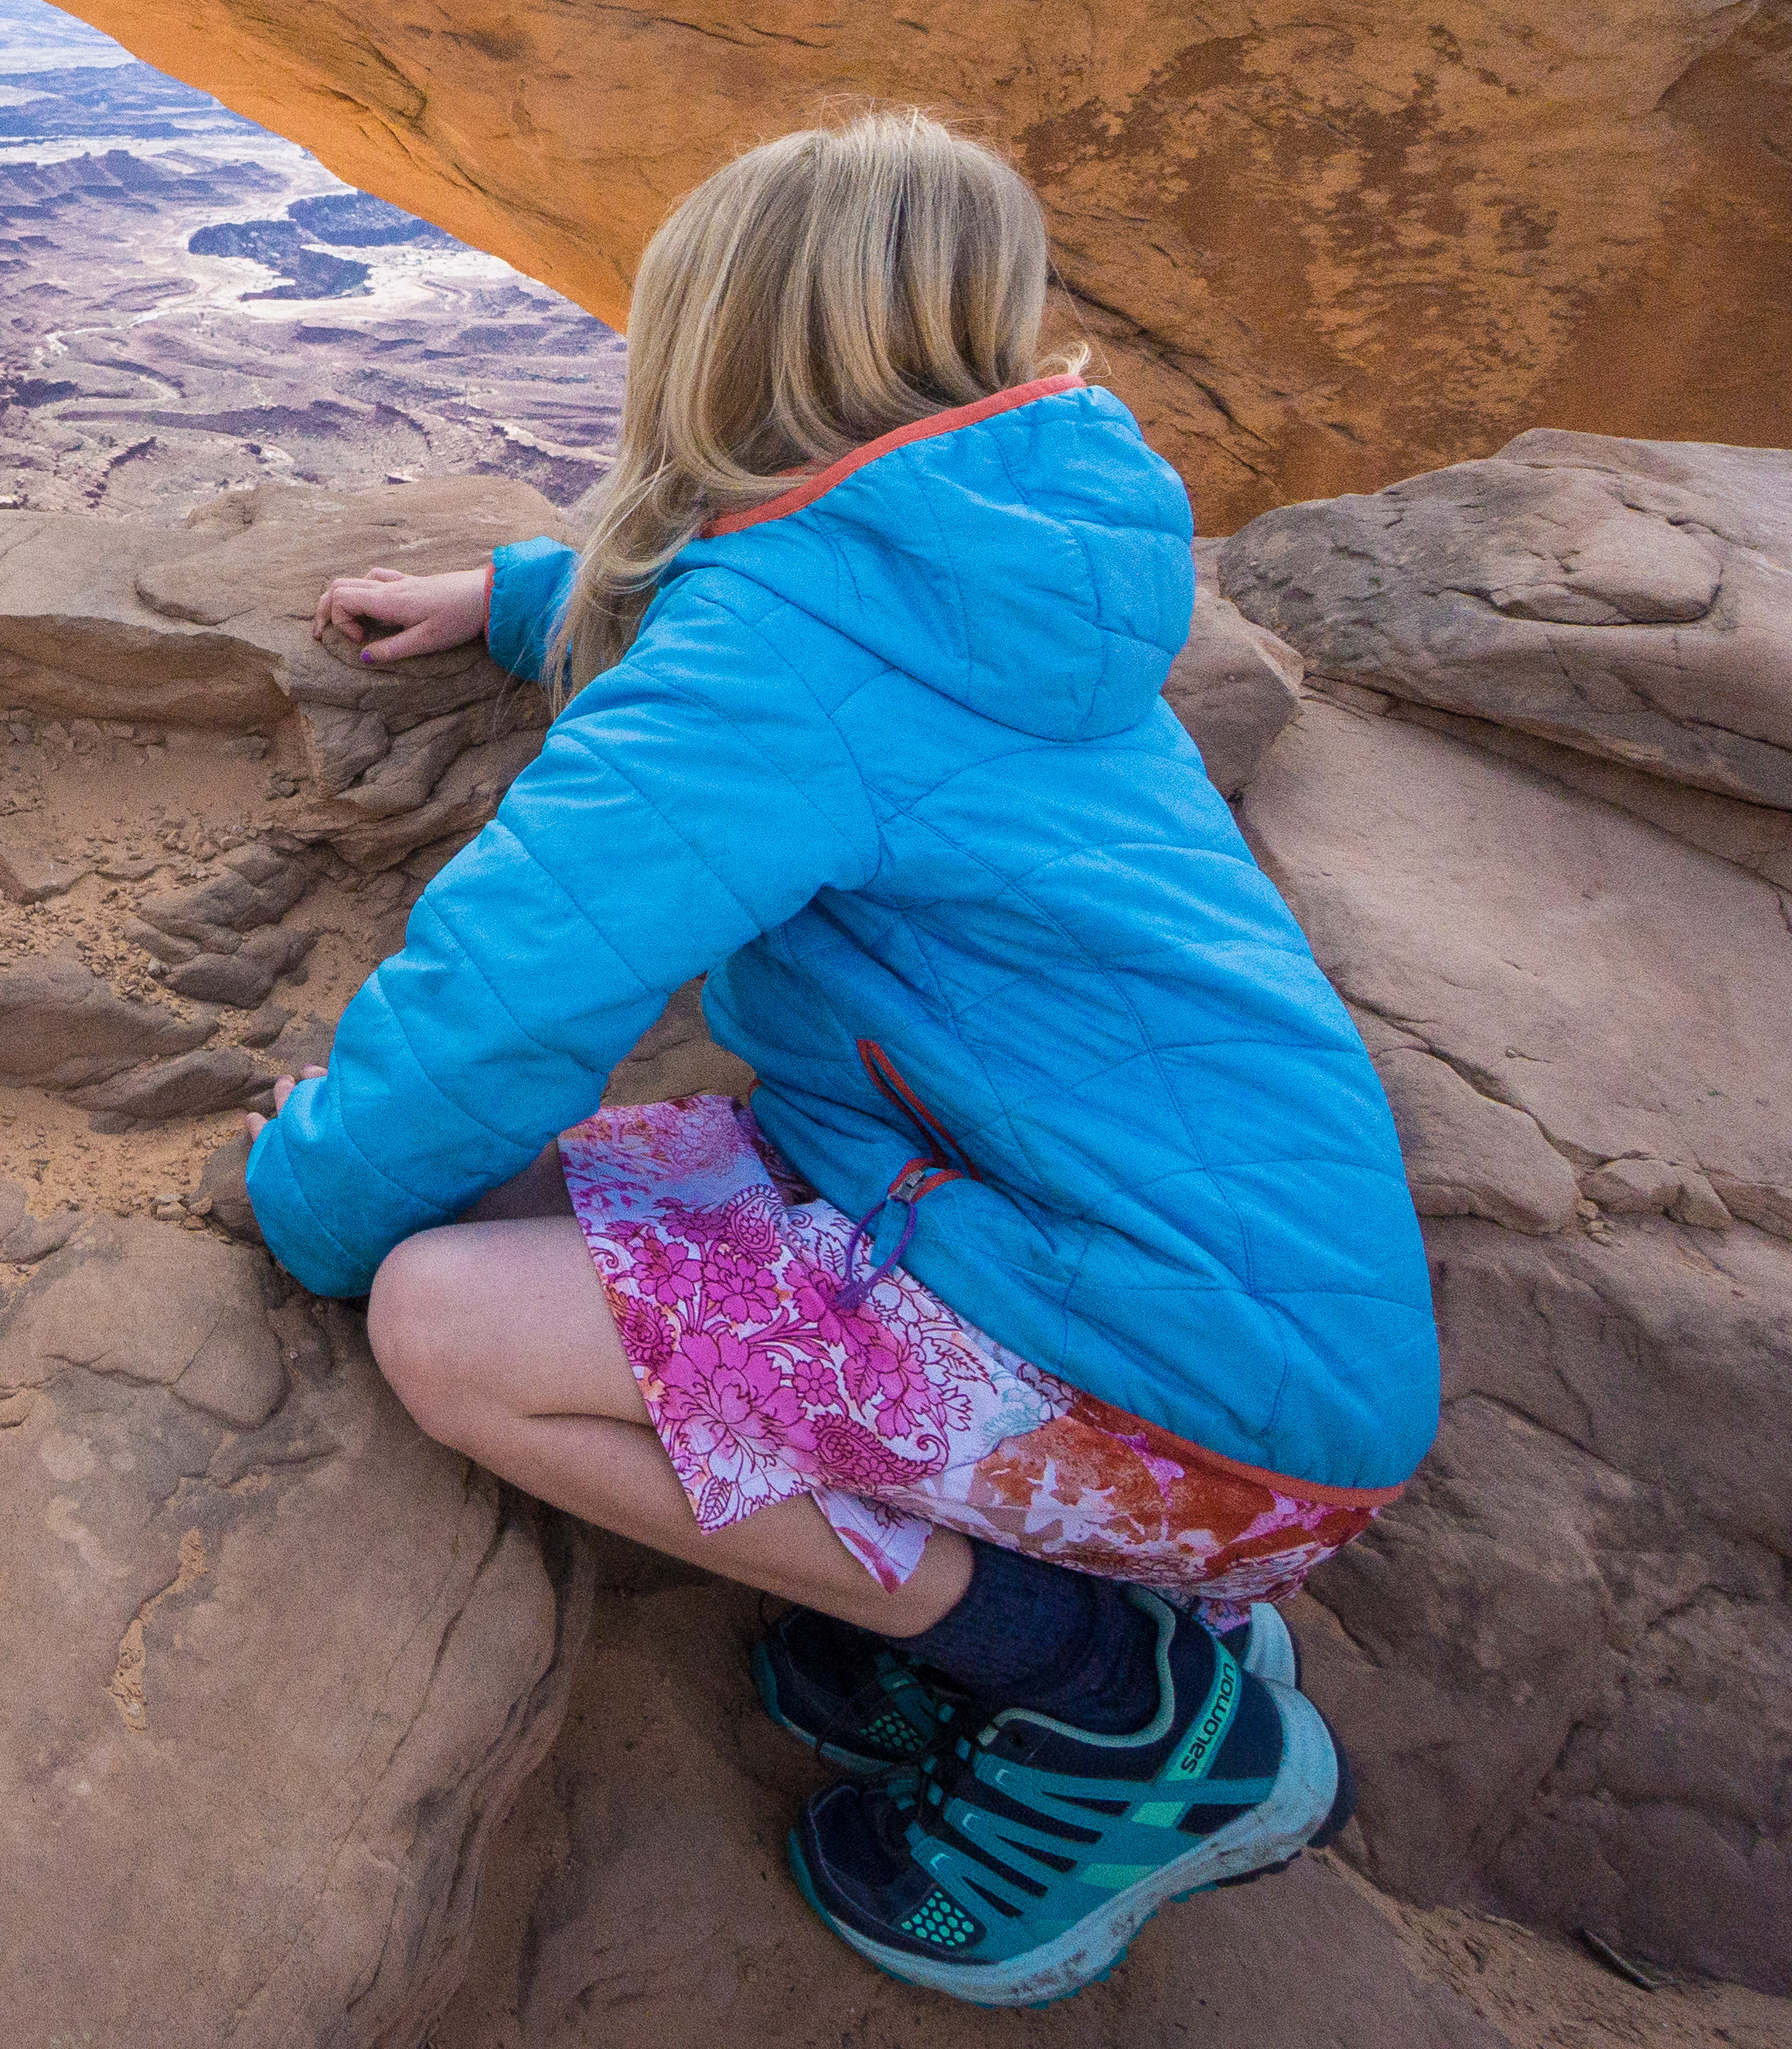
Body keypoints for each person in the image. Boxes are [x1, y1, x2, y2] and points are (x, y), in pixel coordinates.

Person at [244, 106, 1436, 2009]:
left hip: (1178, 1393)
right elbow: (820, 666)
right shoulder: (1009, 562)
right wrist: (535, 597)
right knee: (544, 1192)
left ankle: (1126, 1708)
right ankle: (1031, 1593)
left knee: (440, 1310)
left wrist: (298, 1200)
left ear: (720, 338)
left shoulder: (790, 659)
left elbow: (505, 989)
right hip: (1197, 1291)